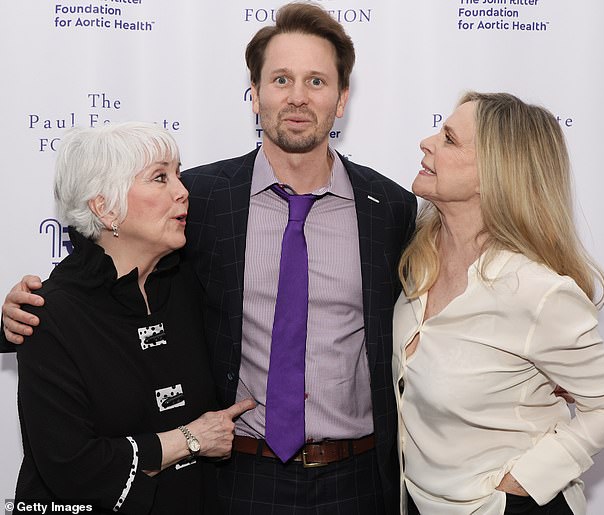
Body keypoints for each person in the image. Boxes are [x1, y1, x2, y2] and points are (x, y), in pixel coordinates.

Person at [2, 3, 418, 514]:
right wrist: (19, 316)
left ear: (342, 97)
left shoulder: (390, 208)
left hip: (357, 478)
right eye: (281, 79)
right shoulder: (200, 198)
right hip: (231, 477)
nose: (297, 97)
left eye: (316, 81)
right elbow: (108, 264)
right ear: (255, 93)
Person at [392, 92, 604, 515]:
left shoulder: (535, 291)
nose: (426, 142)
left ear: (495, 172)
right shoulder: (415, 257)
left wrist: (522, 482)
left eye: (449, 139)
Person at [7, 122, 254, 514]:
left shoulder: (189, 282)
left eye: (177, 173)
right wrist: (191, 439)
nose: (182, 190)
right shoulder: (48, 314)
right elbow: (72, 467)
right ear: (105, 208)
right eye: (160, 177)